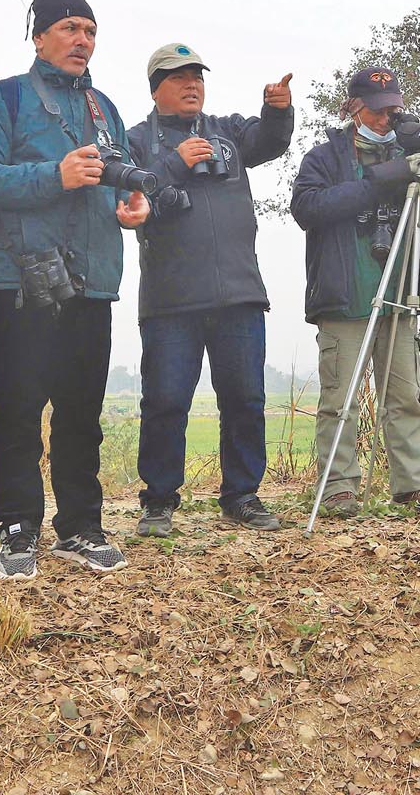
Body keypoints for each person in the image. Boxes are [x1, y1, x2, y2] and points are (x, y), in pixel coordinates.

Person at [0, 0, 149, 580]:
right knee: (17, 407)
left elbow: (118, 176)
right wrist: (53, 175)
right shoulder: (4, 100)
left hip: (93, 280)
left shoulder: (104, 107)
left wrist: (133, 203)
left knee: (81, 410)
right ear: (38, 37)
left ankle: (81, 526)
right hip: (23, 278)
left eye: (90, 31)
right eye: (70, 28)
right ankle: (17, 528)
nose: (83, 41)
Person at [127, 44, 294, 535]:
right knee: (165, 400)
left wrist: (277, 110)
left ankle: (242, 494)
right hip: (169, 299)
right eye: (179, 77)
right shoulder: (137, 142)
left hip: (239, 291)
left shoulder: (228, 131)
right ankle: (158, 500)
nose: (191, 84)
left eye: (197, 75)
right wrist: (174, 163)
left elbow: (269, 141)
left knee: (245, 398)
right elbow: (128, 198)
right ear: (156, 87)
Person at [290, 66, 420, 517]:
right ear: (354, 108)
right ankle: (338, 486)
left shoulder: (407, 149)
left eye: (394, 110)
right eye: (379, 111)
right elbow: (306, 208)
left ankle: (412, 485)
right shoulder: (324, 157)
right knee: (340, 398)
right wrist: (373, 184)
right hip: (345, 296)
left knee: (404, 396)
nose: (387, 119)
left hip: (401, 291)